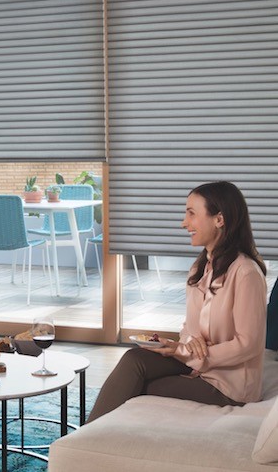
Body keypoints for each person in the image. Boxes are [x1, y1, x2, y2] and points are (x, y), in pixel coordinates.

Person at [88, 181, 267, 423]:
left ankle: (90, 442)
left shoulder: (246, 273)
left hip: (229, 386)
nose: (184, 223)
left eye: (191, 213)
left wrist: (184, 352)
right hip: (198, 366)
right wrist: (185, 342)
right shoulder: (200, 267)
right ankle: (85, 436)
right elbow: (190, 328)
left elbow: (248, 345)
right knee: (134, 360)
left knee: (141, 385)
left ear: (219, 219)